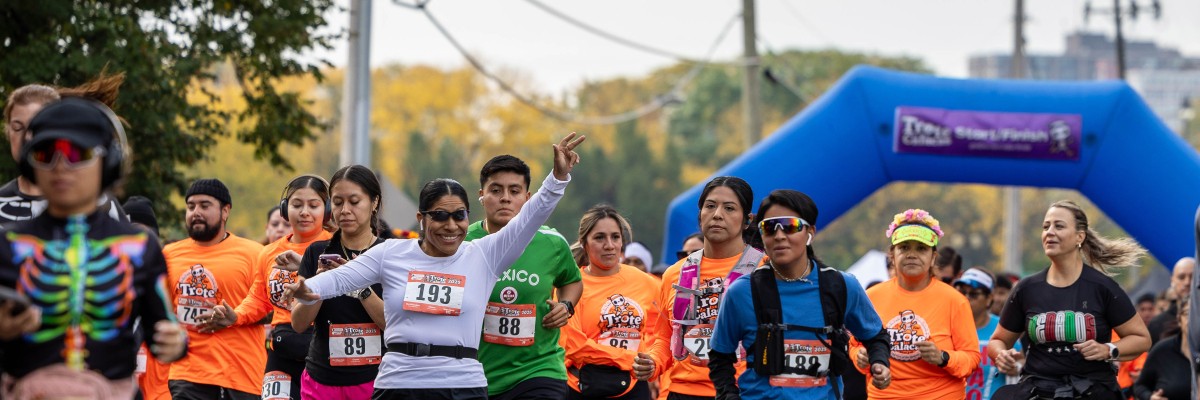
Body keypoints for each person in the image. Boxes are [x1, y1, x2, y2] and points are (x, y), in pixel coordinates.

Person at [283, 133, 584, 400]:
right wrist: (305, 288)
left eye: (459, 216)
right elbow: (339, 279)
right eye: (439, 216)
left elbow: (532, 216)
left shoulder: (484, 254)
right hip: (399, 383)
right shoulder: (392, 253)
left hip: (462, 384)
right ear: (421, 219)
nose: (451, 226)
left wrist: (557, 179)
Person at [0, 97, 188, 397]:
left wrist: (175, 342)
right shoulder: (7, 245)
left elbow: (164, 333)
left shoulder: (139, 247)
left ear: (109, 161)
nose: (60, 166)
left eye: (77, 153)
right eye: (45, 153)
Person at [703, 189, 892, 399]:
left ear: (810, 232)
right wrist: (728, 395)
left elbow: (876, 336)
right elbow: (720, 356)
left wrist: (879, 362)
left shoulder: (841, 286)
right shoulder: (741, 292)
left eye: (790, 226)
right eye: (769, 227)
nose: (779, 235)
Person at [988, 200, 1151, 400]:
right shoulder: (1026, 288)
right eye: (1046, 226)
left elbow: (1142, 339)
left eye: (1059, 226)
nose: (1049, 232)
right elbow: (998, 340)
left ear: (1079, 237)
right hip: (1038, 390)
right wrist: (1001, 355)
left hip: (1092, 390)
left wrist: (1106, 349)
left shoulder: (1102, 287)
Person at [198, 174, 335, 400]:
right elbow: (259, 299)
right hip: (281, 348)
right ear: (284, 209)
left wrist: (306, 268)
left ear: (327, 210)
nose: (304, 212)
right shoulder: (269, 252)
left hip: (323, 347)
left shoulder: (335, 247)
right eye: (296, 204)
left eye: (313, 205)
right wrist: (236, 315)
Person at [465, 155, 583, 400]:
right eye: (496, 190)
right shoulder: (463, 242)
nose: (505, 197)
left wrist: (566, 305)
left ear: (528, 198)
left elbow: (572, 281)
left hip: (539, 370)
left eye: (514, 190)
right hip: (477, 372)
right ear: (481, 194)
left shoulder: (552, 243)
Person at [634, 176, 762, 400]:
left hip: (745, 392)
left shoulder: (766, 271)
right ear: (700, 214)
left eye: (729, 208)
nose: (717, 214)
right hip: (683, 392)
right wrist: (653, 362)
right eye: (710, 206)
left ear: (746, 220)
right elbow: (664, 338)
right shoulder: (675, 273)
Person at [852, 208, 980, 400]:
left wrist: (943, 357)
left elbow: (972, 358)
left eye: (921, 248)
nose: (912, 254)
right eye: (904, 247)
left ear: (933, 258)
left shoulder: (955, 300)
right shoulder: (871, 297)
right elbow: (853, 345)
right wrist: (859, 356)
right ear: (892, 256)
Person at [158, 178, 268, 399]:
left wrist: (235, 316)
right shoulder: (169, 255)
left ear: (225, 211)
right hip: (187, 373)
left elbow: (275, 309)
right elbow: (161, 311)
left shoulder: (255, 254)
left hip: (241, 375)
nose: (195, 212)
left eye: (204, 205)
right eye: (191, 206)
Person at [288, 165, 388, 399]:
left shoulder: (389, 253)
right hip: (320, 381)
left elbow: (393, 324)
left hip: (377, 380)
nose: (345, 210)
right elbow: (298, 323)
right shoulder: (317, 252)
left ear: (374, 202)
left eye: (354, 201)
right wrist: (324, 283)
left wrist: (357, 286)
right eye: (337, 202)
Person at [563, 204, 661, 400]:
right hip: (581, 387)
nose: (609, 245)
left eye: (615, 237)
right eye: (599, 238)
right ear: (584, 243)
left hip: (633, 387)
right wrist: (628, 358)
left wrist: (652, 361)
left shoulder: (647, 282)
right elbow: (573, 345)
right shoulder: (572, 285)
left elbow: (661, 333)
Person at [1, 80, 128, 226]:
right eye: (17, 128)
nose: (27, 138)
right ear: (7, 131)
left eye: (36, 128)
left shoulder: (103, 206)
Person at [954, 268, 1019, 399]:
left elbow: (1020, 361)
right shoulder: (947, 326)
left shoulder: (1002, 328)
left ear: (989, 298)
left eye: (973, 294)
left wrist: (1014, 366)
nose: (966, 298)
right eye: (962, 292)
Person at [1133, 300, 1191, 400]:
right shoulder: (1162, 350)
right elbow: (1140, 387)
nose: (1192, 319)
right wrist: (1150, 397)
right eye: (1187, 313)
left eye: (1197, 312)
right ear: (1179, 319)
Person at [1147, 258, 1194, 343]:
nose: (1187, 282)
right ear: (1172, 281)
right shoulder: (1158, 324)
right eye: (1181, 277)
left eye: (1193, 277)